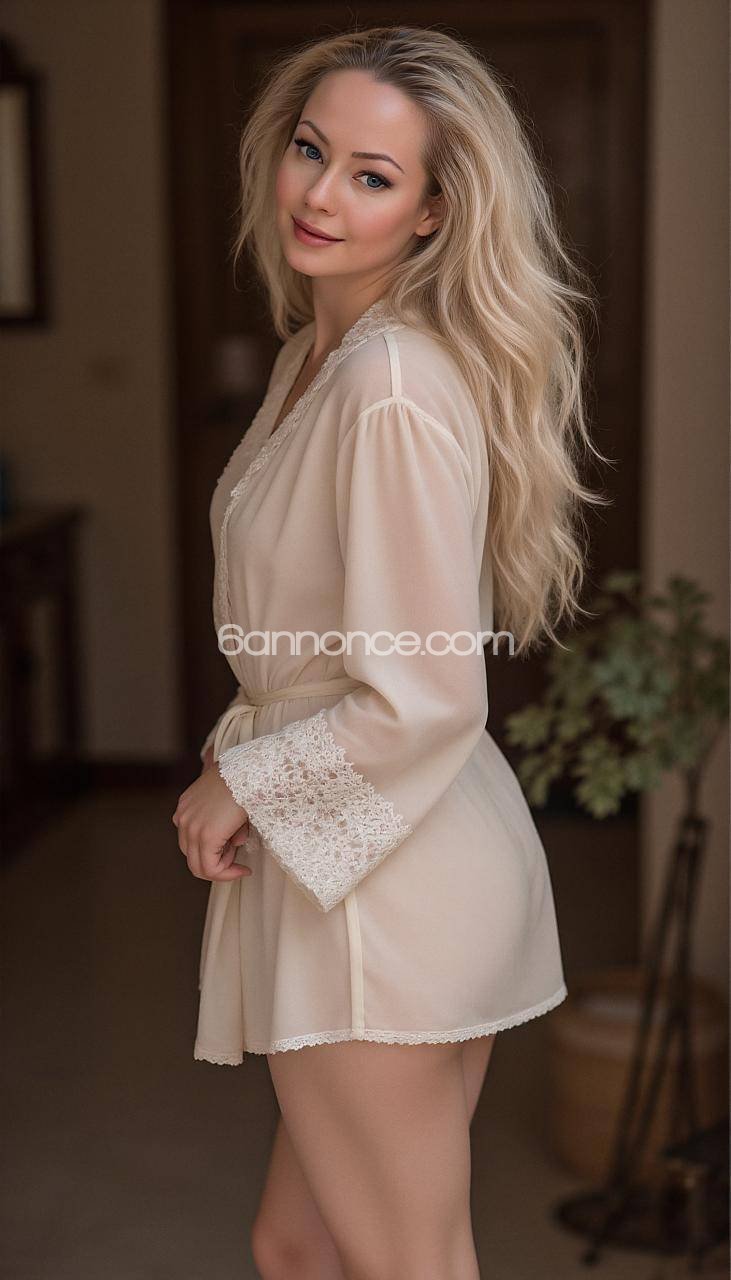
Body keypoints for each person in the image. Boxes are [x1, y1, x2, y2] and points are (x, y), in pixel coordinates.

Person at [172, 25, 606, 1280]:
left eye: (371, 174)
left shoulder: (390, 383)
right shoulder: (315, 359)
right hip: (356, 850)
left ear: (430, 212)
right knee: (298, 1244)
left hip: (383, 878)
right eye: (311, 150)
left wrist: (245, 778)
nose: (320, 193)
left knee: (404, 1263)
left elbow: (426, 694)